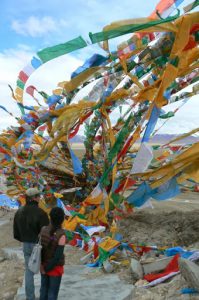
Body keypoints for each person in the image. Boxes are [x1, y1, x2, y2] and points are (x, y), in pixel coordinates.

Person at [13, 188, 49, 300]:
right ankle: (44, 296)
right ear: (34, 198)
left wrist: (24, 239)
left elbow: (16, 233)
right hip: (39, 245)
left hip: (26, 245)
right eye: (38, 196)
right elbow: (46, 232)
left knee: (29, 272)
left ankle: (30, 297)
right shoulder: (41, 213)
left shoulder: (19, 212)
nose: (39, 198)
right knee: (44, 269)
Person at [39, 207, 66, 300]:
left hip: (43, 265)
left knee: (43, 290)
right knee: (52, 294)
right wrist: (47, 269)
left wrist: (43, 267)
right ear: (62, 219)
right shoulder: (61, 235)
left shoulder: (43, 230)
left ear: (50, 217)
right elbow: (57, 257)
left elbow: (40, 249)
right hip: (54, 268)